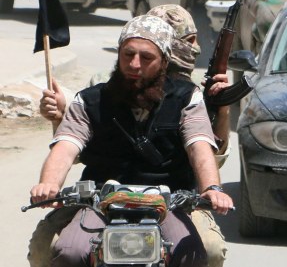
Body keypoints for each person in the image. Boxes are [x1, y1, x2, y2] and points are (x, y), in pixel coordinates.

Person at [29, 15, 233, 267]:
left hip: (169, 202)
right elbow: (66, 145)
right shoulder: (90, 101)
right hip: (99, 202)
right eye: (128, 54)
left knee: (202, 252)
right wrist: (48, 185)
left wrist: (212, 189)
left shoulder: (187, 98)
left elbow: (199, 145)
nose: (134, 64)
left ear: (164, 62)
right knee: (64, 251)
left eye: (146, 58)